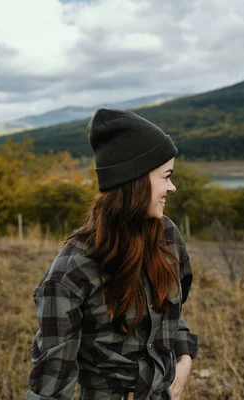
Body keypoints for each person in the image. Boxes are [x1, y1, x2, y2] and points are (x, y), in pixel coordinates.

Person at [26, 108, 198, 400]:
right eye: (166, 176)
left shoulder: (167, 236)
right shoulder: (71, 272)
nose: (172, 187)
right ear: (136, 182)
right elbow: (51, 388)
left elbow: (172, 311)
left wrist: (184, 359)